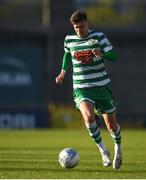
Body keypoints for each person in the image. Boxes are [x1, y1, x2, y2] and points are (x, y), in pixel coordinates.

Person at [55, 10, 122, 169]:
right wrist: (63, 72)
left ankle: (118, 147)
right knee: (89, 118)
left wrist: (102, 53)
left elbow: (114, 56)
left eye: (82, 26)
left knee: (111, 126)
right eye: (76, 27)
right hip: (81, 87)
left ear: (88, 23)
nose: (79, 30)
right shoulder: (69, 40)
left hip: (101, 86)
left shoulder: (99, 37)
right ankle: (103, 151)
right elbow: (66, 55)